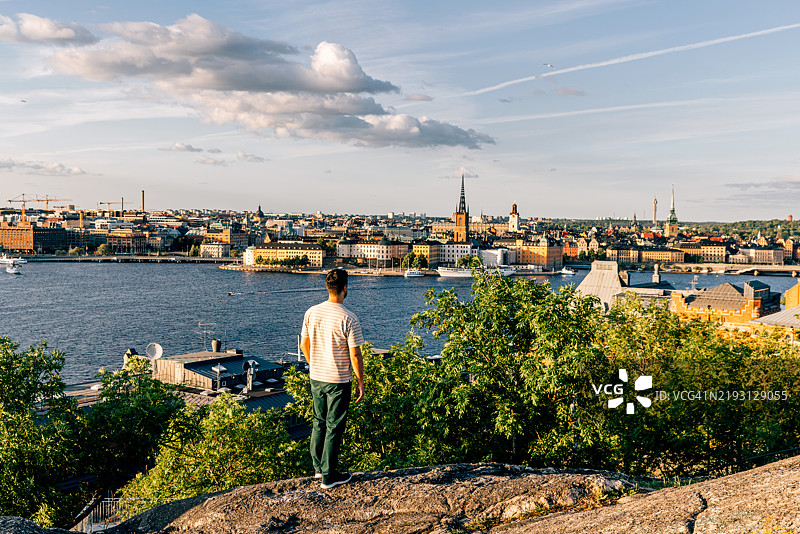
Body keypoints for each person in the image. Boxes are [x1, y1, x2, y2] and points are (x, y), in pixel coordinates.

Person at [300, 268, 364, 489]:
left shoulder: (311, 312)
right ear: (345, 288)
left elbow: (304, 345)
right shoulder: (349, 318)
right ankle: (329, 476)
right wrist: (360, 381)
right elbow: (355, 355)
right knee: (334, 426)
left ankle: (318, 469)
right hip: (338, 379)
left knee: (318, 422)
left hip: (316, 376)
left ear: (328, 287)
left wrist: (314, 363)